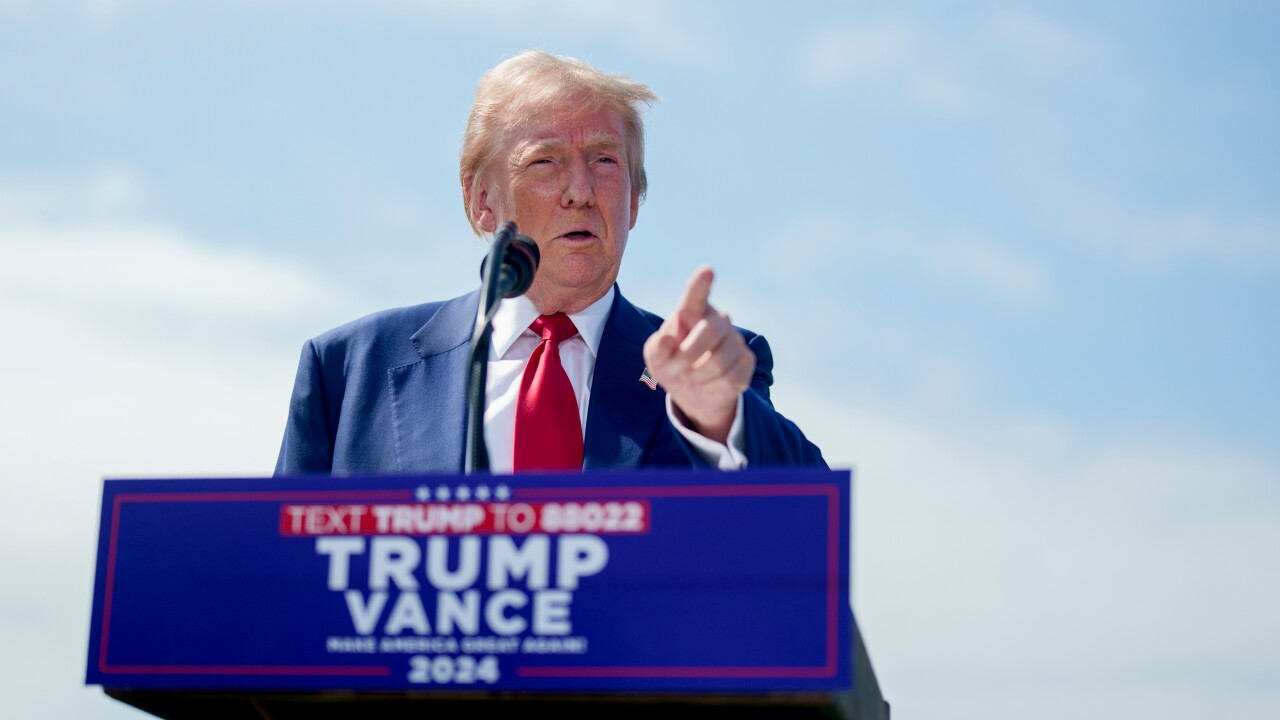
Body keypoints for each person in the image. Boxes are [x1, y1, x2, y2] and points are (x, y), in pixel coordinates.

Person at [274, 51, 825, 475]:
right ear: (482, 200)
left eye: (605, 161)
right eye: (545, 162)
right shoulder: (348, 373)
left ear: (634, 200)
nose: (580, 191)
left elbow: (803, 530)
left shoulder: (706, 369)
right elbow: (280, 588)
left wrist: (719, 417)